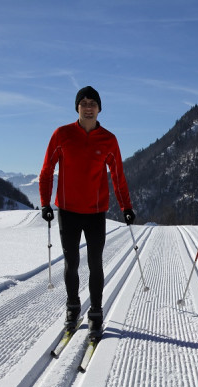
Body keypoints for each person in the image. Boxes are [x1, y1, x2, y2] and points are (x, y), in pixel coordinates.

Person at [39, 85, 136, 341]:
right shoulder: (62, 134)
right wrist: (45, 203)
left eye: (93, 102)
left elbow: (118, 177)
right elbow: (47, 169)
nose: (88, 106)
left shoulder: (108, 139)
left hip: (95, 213)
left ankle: (95, 313)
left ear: (99, 108)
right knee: (71, 264)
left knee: (95, 264)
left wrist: (126, 206)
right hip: (68, 212)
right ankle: (72, 309)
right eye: (83, 102)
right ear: (77, 108)